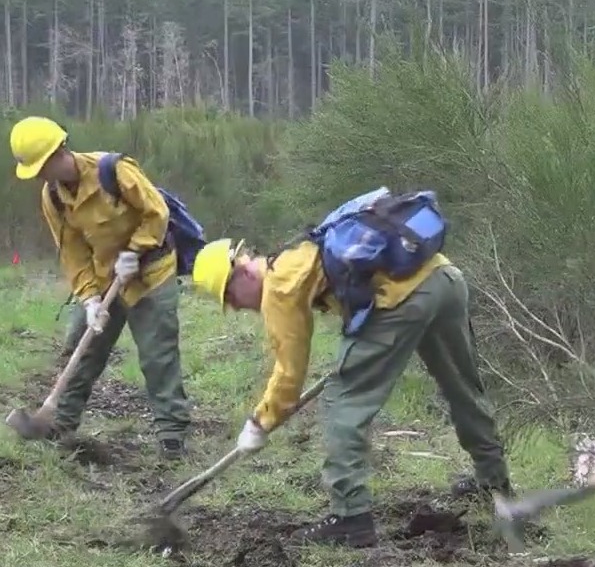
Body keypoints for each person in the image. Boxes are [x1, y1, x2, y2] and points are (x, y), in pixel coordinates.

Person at [188, 191, 513, 548]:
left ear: (241, 274)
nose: (236, 308)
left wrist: (261, 422)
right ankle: (493, 480)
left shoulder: (278, 287)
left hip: (404, 298)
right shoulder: (300, 250)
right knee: (462, 388)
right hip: (445, 279)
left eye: (230, 298)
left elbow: (289, 374)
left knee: (343, 403)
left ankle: (349, 517)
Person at [10, 116, 193, 460]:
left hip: (150, 276)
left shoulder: (114, 170)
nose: (39, 176)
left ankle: (172, 435)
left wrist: (136, 250)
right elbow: (73, 252)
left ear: (58, 151)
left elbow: (156, 212)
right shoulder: (53, 197)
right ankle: (59, 423)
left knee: (157, 356)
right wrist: (89, 297)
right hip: (106, 279)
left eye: (41, 167)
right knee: (81, 349)